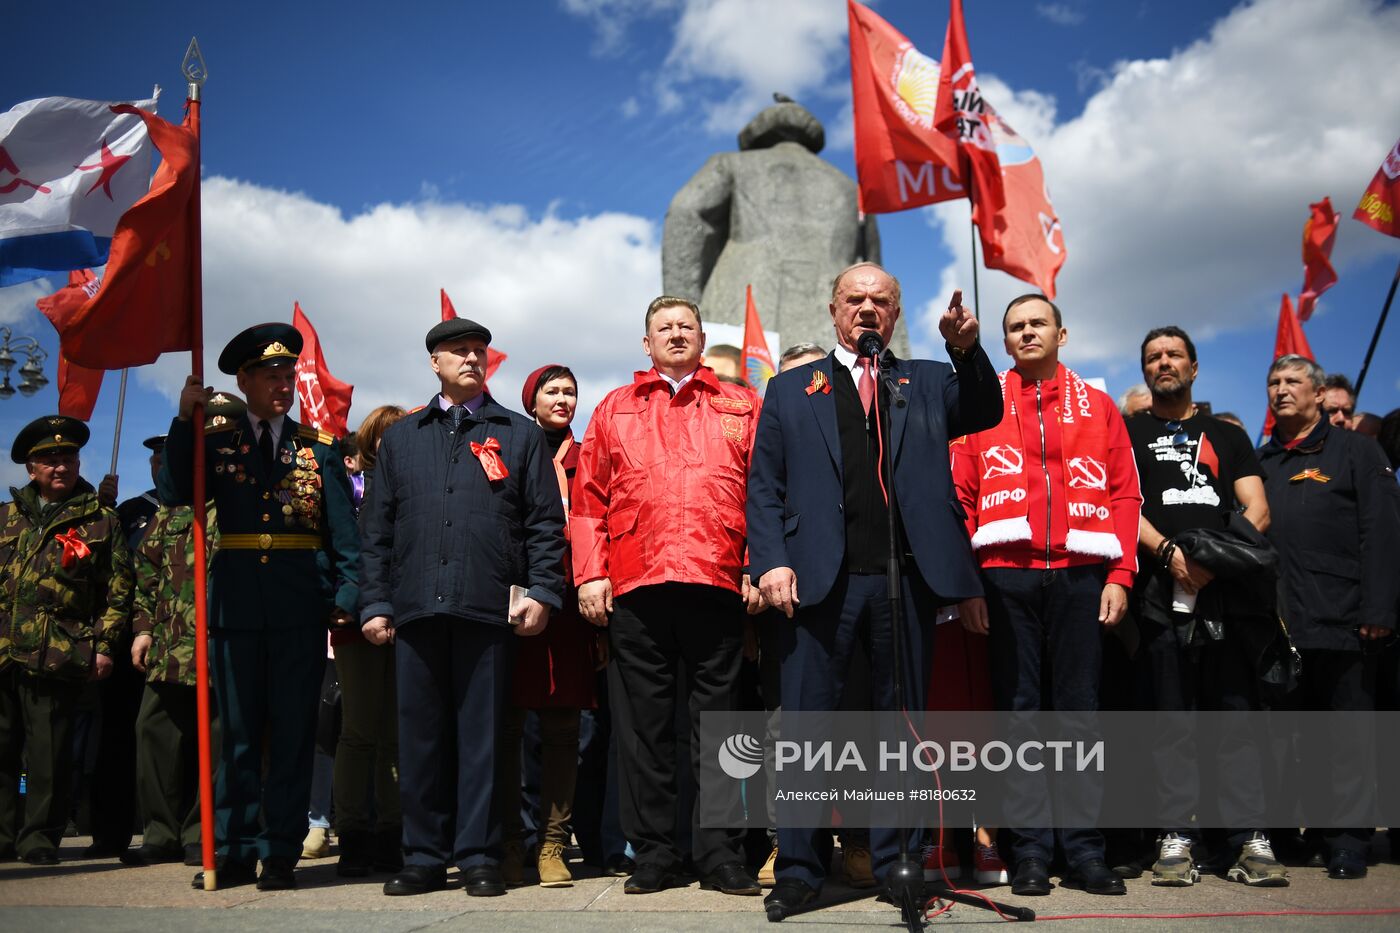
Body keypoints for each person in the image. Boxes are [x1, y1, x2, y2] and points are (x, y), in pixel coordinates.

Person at [746, 263, 1002, 915]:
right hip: (816, 583)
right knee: (808, 730)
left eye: (880, 300)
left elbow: (985, 406)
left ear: (895, 313)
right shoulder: (789, 389)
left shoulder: (925, 379)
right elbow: (765, 486)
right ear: (833, 309)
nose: (867, 309)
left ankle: (897, 862)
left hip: (902, 582)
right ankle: (800, 869)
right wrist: (770, 560)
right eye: (855, 299)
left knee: (899, 731)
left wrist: (965, 349)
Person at [359, 317, 565, 898]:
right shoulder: (402, 438)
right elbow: (376, 530)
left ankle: (477, 856)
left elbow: (545, 525)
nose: (471, 359)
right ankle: (423, 856)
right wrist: (374, 601)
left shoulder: (519, 435)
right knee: (419, 740)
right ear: (435, 363)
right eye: (458, 352)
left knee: (482, 741)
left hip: (487, 608)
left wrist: (545, 593)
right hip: (416, 608)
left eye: (479, 351)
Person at [572, 295, 763, 897]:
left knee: (724, 729)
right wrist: (590, 574)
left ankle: (722, 853)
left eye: (686, 326)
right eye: (664, 328)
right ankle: (654, 852)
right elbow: (588, 502)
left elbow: (767, 493)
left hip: (718, 579)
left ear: (703, 339)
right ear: (646, 343)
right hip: (636, 582)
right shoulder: (614, 408)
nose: (676, 335)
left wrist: (757, 565)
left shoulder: (741, 403)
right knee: (644, 730)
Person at [950, 295, 1141, 897]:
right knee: (1019, 719)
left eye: (1037, 323)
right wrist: (969, 585)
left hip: (1083, 574)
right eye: (1015, 327)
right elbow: (959, 498)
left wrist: (1120, 576)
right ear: (1003, 342)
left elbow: (1124, 496)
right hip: (1004, 576)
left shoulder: (1101, 406)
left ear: (1062, 333)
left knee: (1079, 717)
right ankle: (1029, 851)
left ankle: (1085, 851)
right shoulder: (979, 402)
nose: (1027, 332)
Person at [161, 323, 360, 890]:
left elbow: (343, 532)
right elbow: (178, 492)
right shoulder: (215, 442)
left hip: (300, 606)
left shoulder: (316, 447)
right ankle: (231, 849)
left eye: (287, 374)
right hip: (238, 606)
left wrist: (347, 594)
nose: (281, 384)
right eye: (269, 375)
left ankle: (279, 853)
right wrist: (183, 420)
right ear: (243, 380)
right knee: (240, 736)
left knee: (295, 733)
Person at [1125, 325, 1287, 889]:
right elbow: (1122, 505)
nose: (1163, 362)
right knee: (1172, 722)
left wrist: (1212, 565)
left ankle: (1248, 836)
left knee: (1235, 720)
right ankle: (1177, 836)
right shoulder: (1126, 432)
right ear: (1144, 370)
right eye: (1153, 357)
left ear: (1194, 367)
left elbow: (1258, 508)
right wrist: (1170, 555)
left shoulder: (1226, 434)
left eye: (1173, 355)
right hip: (1159, 599)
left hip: (1228, 598)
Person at [1256, 354, 1400, 880]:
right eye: (1273, 382)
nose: (1281, 389)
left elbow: (1382, 535)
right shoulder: (1262, 461)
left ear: (1320, 395)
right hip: (1281, 624)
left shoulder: (1359, 452)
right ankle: (1301, 834)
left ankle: (1347, 840)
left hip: (1347, 619)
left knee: (1347, 738)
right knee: (1293, 741)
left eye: (1293, 381)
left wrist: (1380, 609)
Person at [0, 416, 132, 865]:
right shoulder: (6, 517)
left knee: (49, 754)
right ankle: (3, 835)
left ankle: (39, 837)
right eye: (50, 460)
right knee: (1, 747)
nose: (61, 467)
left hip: (57, 649)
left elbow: (119, 592)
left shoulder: (100, 521)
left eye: (68, 459)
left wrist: (104, 645)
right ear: (31, 469)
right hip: (3, 650)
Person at [493, 364, 600, 888]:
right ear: (530, 400)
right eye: (551, 391)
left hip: (571, 605)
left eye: (570, 392)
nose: (562, 399)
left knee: (563, 728)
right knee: (509, 726)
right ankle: (513, 839)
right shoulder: (508, 446)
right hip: (516, 601)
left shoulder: (590, 456)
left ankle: (554, 843)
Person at [126, 398, 242, 867]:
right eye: (204, 440)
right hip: (171, 645)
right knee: (153, 733)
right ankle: (159, 831)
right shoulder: (175, 507)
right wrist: (142, 630)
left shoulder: (242, 502)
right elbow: (145, 576)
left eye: (221, 438)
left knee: (216, 741)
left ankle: (200, 831)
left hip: (223, 642)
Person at [85, 435, 169, 859]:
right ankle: (109, 832)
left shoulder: (194, 506)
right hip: (124, 639)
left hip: (173, 636)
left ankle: (167, 830)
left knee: (164, 737)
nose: (159, 462)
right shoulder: (131, 511)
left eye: (167, 455)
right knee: (116, 739)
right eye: (155, 456)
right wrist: (102, 509)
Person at [332, 405, 406, 879]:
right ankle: (353, 832)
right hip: (355, 622)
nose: (393, 444)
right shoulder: (350, 487)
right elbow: (345, 549)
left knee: (396, 736)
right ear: (369, 442)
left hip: (408, 622)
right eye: (385, 437)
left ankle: (392, 832)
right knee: (359, 730)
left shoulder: (415, 486)